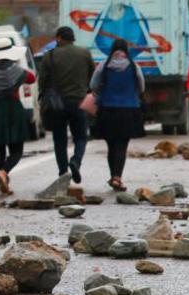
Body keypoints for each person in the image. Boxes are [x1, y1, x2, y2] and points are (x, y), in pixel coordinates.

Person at [0, 38, 36, 195]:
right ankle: (3, 172)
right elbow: (32, 78)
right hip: (12, 113)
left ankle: (1, 177)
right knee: (16, 151)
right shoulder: (15, 70)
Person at [38, 26, 93, 183]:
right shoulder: (85, 53)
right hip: (79, 102)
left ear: (59, 38)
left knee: (59, 139)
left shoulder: (50, 55)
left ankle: (63, 172)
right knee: (81, 138)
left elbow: (42, 80)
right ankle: (76, 161)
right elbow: (92, 76)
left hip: (57, 104)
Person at [90, 39, 145, 192]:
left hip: (108, 110)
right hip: (128, 110)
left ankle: (113, 175)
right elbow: (141, 86)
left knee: (111, 145)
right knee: (122, 145)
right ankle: (117, 177)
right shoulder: (134, 66)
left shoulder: (104, 65)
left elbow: (93, 85)